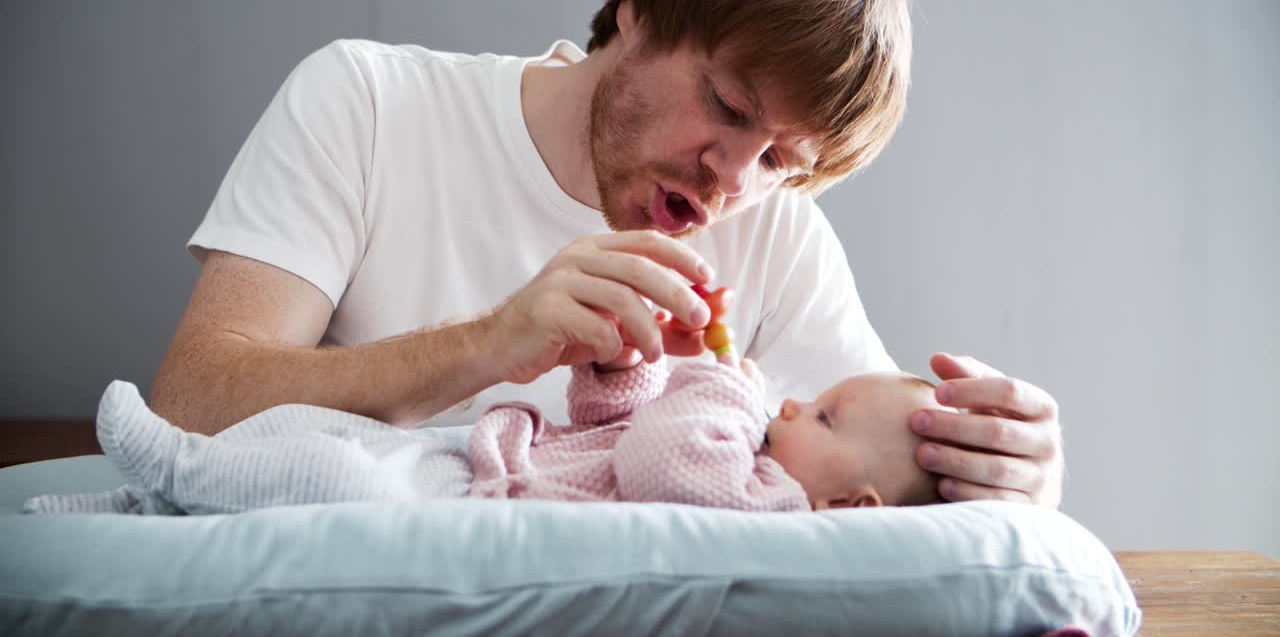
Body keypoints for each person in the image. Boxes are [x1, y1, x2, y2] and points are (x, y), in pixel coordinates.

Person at [149, 0, 1064, 508]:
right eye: (730, 105)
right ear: (635, 12)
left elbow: (884, 495)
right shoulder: (368, 102)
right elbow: (189, 404)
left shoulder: (777, 235)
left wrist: (1012, 475)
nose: (732, 180)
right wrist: (489, 344)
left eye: (781, 158)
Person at [26, 343, 944, 515]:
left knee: (334, 480)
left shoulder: (769, 499)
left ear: (854, 503)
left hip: (474, 500)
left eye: (821, 415)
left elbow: (662, 459)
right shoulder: (747, 447)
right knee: (314, 425)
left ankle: (179, 470)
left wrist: (720, 385)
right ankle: (128, 504)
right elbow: (616, 426)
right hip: (475, 458)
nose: (789, 405)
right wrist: (624, 370)